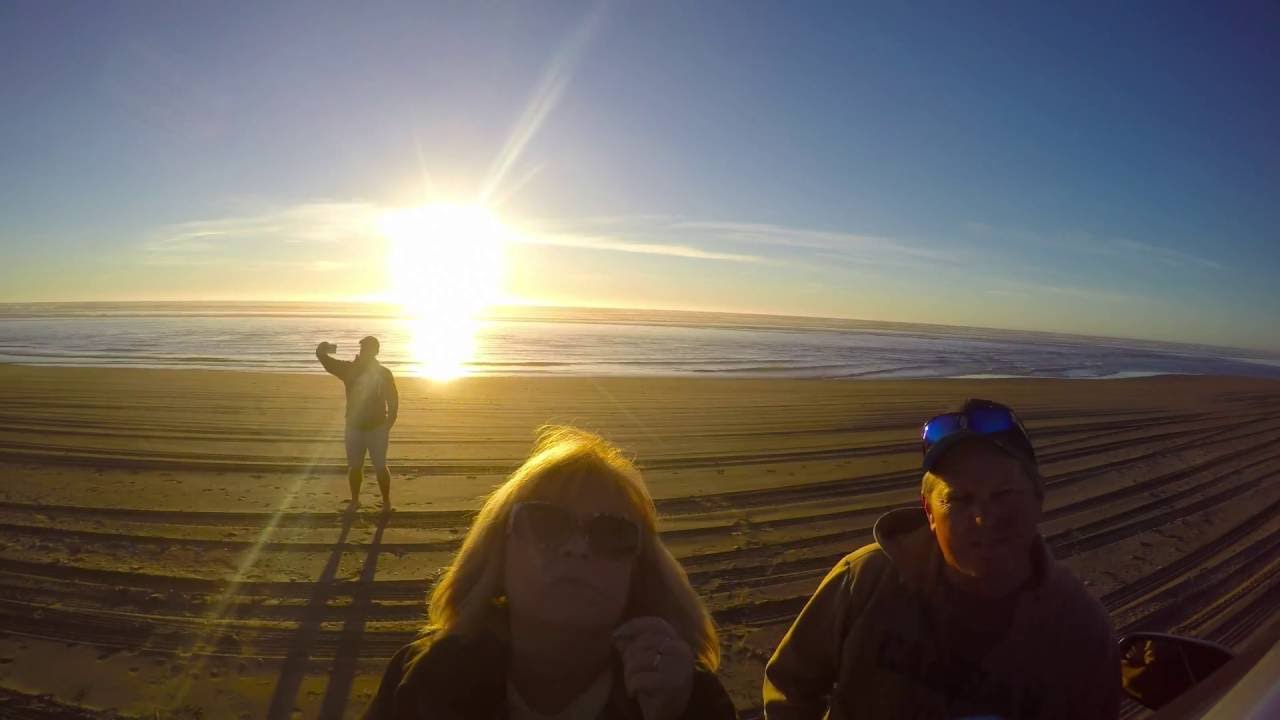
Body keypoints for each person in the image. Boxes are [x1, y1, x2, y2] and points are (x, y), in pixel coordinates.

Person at [763, 398, 1119, 719]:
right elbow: (790, 686)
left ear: (1038, 499)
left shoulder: (1081, 629)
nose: (984, 518)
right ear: (929, 512)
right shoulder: (866, 579)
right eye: (959, 499)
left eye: (1005, 494)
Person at [364, 426, 737, 720]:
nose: (577, 547)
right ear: (498, 550)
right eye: (545, 523)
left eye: (611, 533)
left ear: (638, 569)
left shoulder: (689, 697)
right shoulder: (424, 677)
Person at [316, 335, 398, 512]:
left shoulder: (384, 373)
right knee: (355, 466)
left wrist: (389, 423)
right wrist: (323, 348)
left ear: (376, 351)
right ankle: (355, 501)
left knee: (380, 466)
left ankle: (386, 502)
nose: (365, 352)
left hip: (377, 427)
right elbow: (325, 360)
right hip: (354, 427)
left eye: (369, 349)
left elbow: (393, 400)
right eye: (363, 349)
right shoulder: (350, 369)